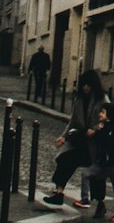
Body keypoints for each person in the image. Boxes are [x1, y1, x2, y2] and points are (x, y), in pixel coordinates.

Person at [42, 68, 104, 206]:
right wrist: (63, 137)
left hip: (95, 144)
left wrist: (95, 130)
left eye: (88, 85)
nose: (85, 87)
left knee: (96, 174)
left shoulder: (102, 100)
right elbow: (73, 121)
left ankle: (100, 203)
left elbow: (109, 121)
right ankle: (59, 193)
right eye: (83, 84)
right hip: (80, 140)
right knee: (65, 160)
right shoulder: (79, 99)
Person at [84, 101, 114, 222]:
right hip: (102, 162)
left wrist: (96, 133)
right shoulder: (102, 126)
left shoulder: (112, 128)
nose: (100, 114)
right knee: (87, 174)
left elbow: (111, 144)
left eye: (103, 112)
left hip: (111, 163)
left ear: (109, 115)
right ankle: (93, 202)